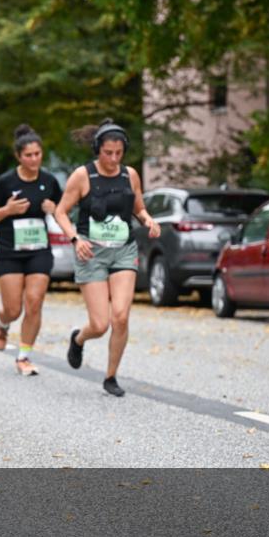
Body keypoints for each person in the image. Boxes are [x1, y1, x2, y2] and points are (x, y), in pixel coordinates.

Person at [55, 120, 160, 397]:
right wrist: (75, 239)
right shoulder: (82, 176)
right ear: (97, 149)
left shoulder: (130, 175)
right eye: (108, 153)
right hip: (92, 252)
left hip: (124, 249)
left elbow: (139, 207)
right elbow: (61, 212)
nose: (113, 159)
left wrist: (148, 220)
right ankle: (79, 338)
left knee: (121, 317)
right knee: (100, 324)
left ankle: (111, 376)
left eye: (118, 153)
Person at [0, 124, 62, 376]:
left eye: (38, 154)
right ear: (19, 156)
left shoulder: (49, 181)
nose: (34, 159)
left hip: (39, 249)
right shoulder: (6, 181)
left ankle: (24, 356)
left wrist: (55, 209)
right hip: (10, 251)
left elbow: (63, 211)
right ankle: (3, 324)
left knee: (35, 302)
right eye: (28, 155)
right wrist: (7, 210)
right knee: (13, 308)